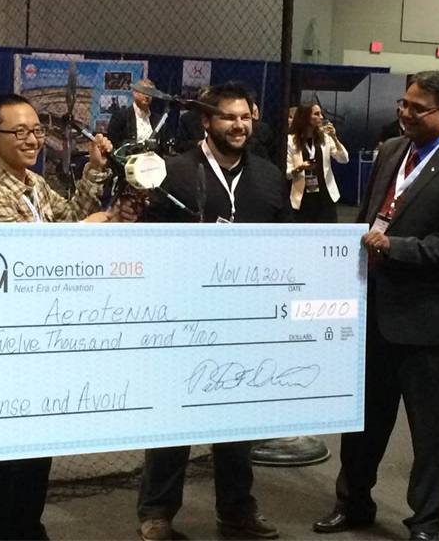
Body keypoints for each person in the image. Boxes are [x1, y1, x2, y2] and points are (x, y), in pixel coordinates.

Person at [312, 70, 439, 541]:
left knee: (429, 432)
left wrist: (396, 247)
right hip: (373, 312)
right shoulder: (393, 151)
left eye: (417, 108)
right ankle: (353, 502)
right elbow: (370, 217)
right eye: (404, 104)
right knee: (363, 422)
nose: (404, 113)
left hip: (427, 321)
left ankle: (426, 521)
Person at [0, 93, 135, 540]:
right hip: (1, 345)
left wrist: (96, 175)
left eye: (37, 131)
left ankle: (26, 530)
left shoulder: (34, 184)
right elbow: (34, 256)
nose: (32, 140)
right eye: (19, 132)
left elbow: (70, 214)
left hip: (38, 339)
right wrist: (85, 229)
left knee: (34, 452)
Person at [138, 82, 291, 541]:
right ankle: (157, 512)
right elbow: (147, 244)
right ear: (206, 121)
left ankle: (237, 509)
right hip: (183, 316)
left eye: (245, 117)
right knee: (173, 417)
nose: (239, 125)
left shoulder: (269, 177)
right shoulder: (174, 173)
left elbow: (285, 246)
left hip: (244, 318)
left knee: (237, 421)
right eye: (229, 117)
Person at [286, 102, 349, 223]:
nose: (321, 117)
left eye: (321, 114)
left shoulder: (325, 137)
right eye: (316, 114)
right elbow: (287, 173)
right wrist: (300, 168)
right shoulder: (290, 141)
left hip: (325, 195)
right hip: (302, 197)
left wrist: (334, 138)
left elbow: (344, 159)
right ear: (306, 117)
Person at [107, 78, 164, 148]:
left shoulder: (157, 120)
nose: (147, 96)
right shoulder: (121, 116)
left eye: (150, 93)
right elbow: (113, 141)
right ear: (135, 93)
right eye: (144, 92)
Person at [174, 85, 210, 153]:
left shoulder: (219, 118)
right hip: (195, 155)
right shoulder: (188, 118)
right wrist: (198, 143)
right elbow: (179, 144)